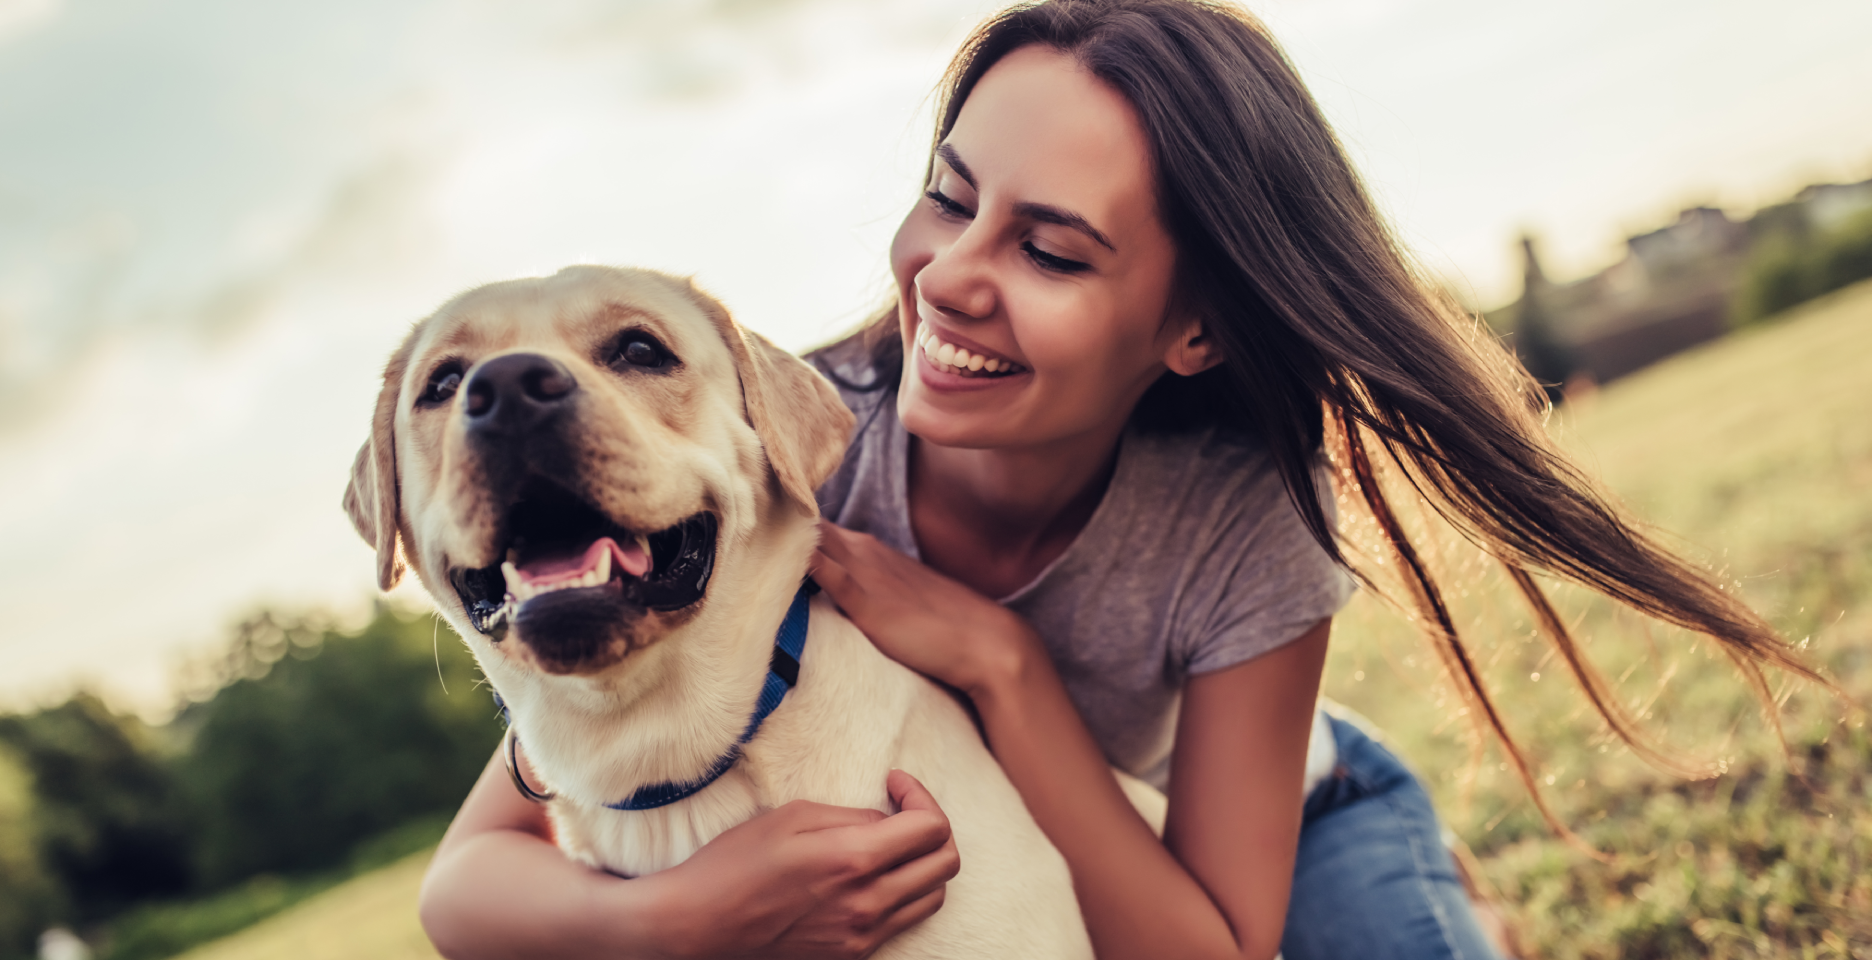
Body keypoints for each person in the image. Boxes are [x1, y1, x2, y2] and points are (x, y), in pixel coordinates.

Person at [417, 2, 1820, 958]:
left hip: (1277, 833)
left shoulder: (1242, 522)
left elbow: (1209, 946)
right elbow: (469, 877)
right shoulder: (779, 454)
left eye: (1054, 251)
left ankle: (1442, 898)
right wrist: (671, 925)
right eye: (951, 197)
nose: (950, 277)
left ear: (1195, 327)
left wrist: (1003, 666)